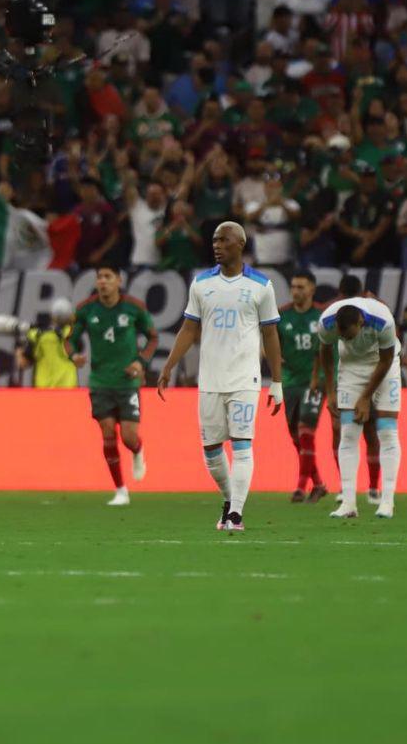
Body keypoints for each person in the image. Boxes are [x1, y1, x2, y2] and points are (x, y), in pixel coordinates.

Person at [157, 221, 284, 531]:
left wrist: (277, 381)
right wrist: (168, 366)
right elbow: (189, 329)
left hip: (244, 379)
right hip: (210, 379)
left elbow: (270, 334)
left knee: (242, 444)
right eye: (214, 240)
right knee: (212, 451)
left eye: (223, 240)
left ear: (240, 244)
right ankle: (229, 499)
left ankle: (237, 514)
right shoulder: (201, 284)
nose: (216, 245)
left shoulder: (261, 286)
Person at [69, 270, 158, 506]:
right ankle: (121, 490)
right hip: (99, 381)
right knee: (108, 431)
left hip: (127, 382)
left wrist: (141, 362)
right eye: (99, 277)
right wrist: (74, 356)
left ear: (119, 280)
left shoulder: (133, 308)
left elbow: (153, 337)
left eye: (108, 277)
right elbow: (69, 339)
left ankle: (137, 450)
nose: (102, 282)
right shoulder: (86, 309)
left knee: (129, 437)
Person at [319, 295, 404, 520]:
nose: (343, 338)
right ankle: (348, 504)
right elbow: (325, 351)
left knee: (386, 430)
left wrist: (365, 397)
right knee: (348, 433)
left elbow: (386, 360)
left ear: (361, 324)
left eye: (348, 334)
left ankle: (387, 501)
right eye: (341, 335)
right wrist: (330, 390)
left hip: (384, 365)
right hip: (351, 366)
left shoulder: (383, 321)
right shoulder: (327, 321)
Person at [277, 269, 329, 503]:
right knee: (296, 437)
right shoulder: (281, 316)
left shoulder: (322, 316)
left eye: (301, 287)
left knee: (306, 431)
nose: (296, 291)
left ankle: (300, 486)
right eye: (293, 287)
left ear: (312, 289)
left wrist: (324, 377)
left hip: (314, 382)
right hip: (289, 383)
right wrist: (273, 357)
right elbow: (270, 344)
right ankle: (318, 484)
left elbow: (330, 350)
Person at [20, 299, 80, 390]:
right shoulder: (72, 333)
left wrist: (19, 346)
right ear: (70, 316)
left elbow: (23, 363)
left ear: (52, 316)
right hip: (69, 390)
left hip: (43, 391)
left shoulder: (36, 335)